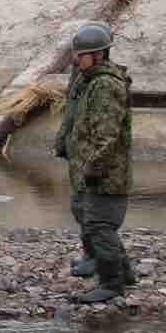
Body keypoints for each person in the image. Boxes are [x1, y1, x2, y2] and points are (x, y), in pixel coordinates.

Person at [58, 21, 134, 304]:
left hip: (105, 174)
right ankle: (124, 273)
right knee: (94, 221)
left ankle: (112, 284)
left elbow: (107, 137)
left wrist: (92, 169)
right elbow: (77, 118)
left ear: (98, 55)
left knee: (100, 226)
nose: (76, 60)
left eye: (81, 55)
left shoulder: (105, 86)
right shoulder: (89, 80)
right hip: (90, 169)